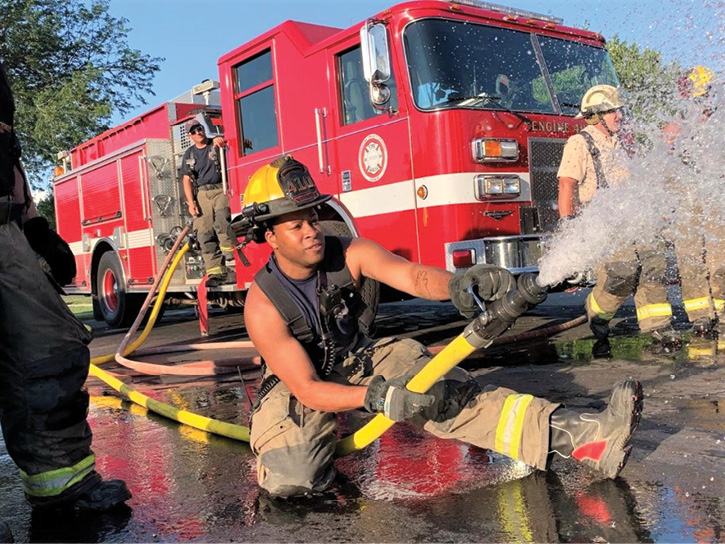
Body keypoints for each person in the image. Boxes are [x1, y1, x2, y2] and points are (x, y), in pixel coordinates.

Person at [238, 155, 644, 498]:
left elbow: (412, 276)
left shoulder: (351, 253)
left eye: (313, 218)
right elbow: (308, 388)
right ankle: (292, 455)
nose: (313, 231)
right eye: (297, 226)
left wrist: (456, 285)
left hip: (358, 357)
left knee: (443, 392)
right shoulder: (263, 305)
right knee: (296, 478)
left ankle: (585, 437)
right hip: (298, 380)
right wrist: (379, 398)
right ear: (270, 236)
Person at [0, 61, 131, 513]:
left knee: (49, 352)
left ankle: (60, 481)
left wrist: (33, 224)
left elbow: (5, 149)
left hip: (6, 230)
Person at [557, 84, 680, 358]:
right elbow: (566, 185)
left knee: (654, 265)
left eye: (619, 111)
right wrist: (568, 229)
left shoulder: (622, 142)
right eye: (613, 112)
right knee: (622, 271)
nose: (620, 116)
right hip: (604, 221)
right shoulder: (580, 143)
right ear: (597, 115)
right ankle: (597, 313)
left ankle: (659, 327)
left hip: (633, 217)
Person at [664, 67, 724, 338]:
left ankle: (722, 313)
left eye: (705, 98)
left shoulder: (719, 126)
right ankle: (700, 317)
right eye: (697, 98)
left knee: (720, 261)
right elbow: (660, 167)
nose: (701, 105)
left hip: (716, 202)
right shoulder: (673, 127)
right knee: (689, 262)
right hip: (684, 202)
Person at [181, 117, 235, 287]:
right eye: (194, 131)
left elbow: (238, 143)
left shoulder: (216, 144)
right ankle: (215, 273)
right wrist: (191, 203)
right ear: (189, 136)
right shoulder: (189, 154)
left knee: (222, 221)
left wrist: (223, 141)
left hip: (221, 188)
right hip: (202, 194)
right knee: (204, 232)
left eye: (199, 128)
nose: (198, 132)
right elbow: (186, 180)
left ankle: (233, 263)